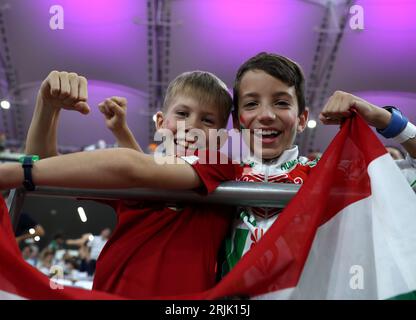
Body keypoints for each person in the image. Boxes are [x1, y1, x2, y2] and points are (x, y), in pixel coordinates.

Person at [1, 70, 237, 298]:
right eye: (183, 114)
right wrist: (47, 106)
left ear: (221, 138)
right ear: (161, 123)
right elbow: (48, 173)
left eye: (207, 120)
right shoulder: (136, 177)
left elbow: (133, 168)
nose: (192, 126)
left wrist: (14, 173)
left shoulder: (218, 166)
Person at [222, 52, 416, 273]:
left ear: (302, 119)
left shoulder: (332, 174)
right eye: (252, 103)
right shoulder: (219, 175)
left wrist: (382, 117)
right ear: (237, 122)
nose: (266, 115)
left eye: (281, 102)